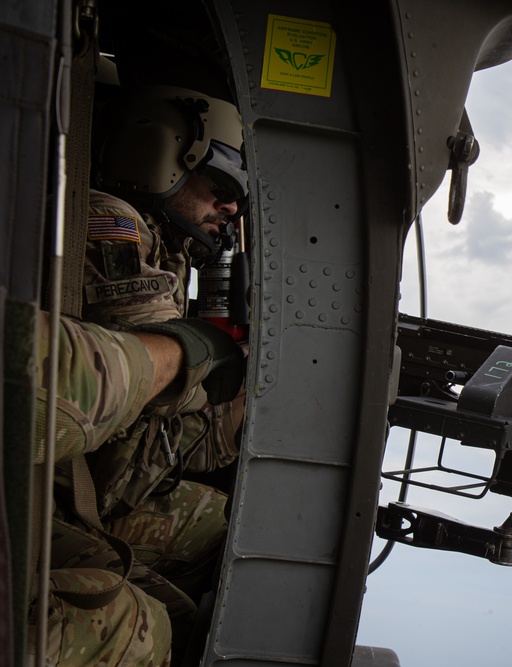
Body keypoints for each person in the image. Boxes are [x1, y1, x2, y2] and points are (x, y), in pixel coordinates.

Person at [55, 83, 250, 654]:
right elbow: (171, 374)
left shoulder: (164, 245)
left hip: (101, 471)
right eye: (221, 188)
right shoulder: (108, 219)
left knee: (226, 535)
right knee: (164, 625)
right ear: (164, 156)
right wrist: (227, 361)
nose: (231, 208)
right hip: (67, 480)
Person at [30, 312, 244, 666]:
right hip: (50, 407)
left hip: (65, 454)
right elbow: (58, 384)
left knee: (180, 617)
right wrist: (185, 353)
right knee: (136, 631)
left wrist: (209, 387)